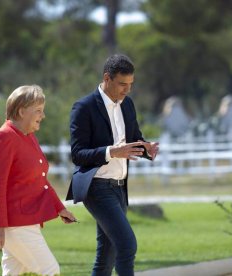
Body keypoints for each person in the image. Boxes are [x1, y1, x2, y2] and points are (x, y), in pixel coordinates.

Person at [66, 54, 159, 276]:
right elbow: (77, 154)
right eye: (122, 84)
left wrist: (147, 149)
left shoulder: (128, 105)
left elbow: (134, 139)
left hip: (119, 188)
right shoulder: (83, 107)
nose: (127, 90)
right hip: (96, 187)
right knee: (127, 245)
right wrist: (111, 151)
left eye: (130, 85)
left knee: (107, 255)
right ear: (107, 78)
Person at [0, 85, 77, 276]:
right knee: (50, 270)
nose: (42, 116)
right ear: (21, 111)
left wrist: (60, 208)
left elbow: (40, 179)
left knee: (13, 273)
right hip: (14, 223)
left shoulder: (28, 136)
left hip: (24, 221)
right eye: (38, 111)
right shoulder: (4, 137)